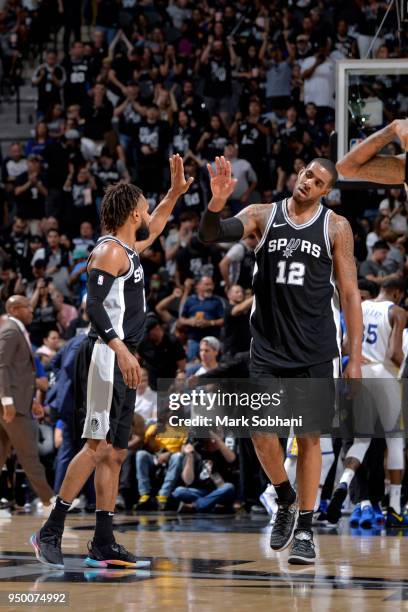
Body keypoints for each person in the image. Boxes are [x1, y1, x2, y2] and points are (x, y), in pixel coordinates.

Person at [31, 154, 193, 569]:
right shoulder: (107, 251)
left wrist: (175, 193)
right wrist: (121, 349)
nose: (147, 211)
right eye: (145, 204)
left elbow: (156, 227)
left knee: (117, 452)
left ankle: (103, 541)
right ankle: (50, 529)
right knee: (95, 446)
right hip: (105, 353)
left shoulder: (127, 248)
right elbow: (94, 307)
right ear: (132, 210)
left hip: (121, 355)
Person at [199, 155, 362, 564]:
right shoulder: (262, 214)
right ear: (298, 173)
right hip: (268, 346)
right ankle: (286, 499)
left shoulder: (335, 227)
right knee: (260, 433)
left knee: (308, 439)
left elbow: (349, 293)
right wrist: (216, 201)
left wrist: (354, 356)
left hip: (315, 348)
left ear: (326, 191)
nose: (308, 182)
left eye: (319, 181)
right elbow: (211, 234)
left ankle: (305, 528)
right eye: (307, 173)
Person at [326, 278, 407, 528]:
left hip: (360, 373)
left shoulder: (358, 307)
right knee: (394, 441)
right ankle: (393, 507)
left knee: (361, 441)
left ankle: (344, 483)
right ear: (397, 293)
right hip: (384, 377)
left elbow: (346, 346)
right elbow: (395, 354)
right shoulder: (397, 311)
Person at [0, 296, 55, 508]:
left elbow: (19, 374)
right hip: (11, 406)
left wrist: (31, 399)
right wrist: (7, 401)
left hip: (17, 401)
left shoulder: (16, 331)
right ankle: (50, 502)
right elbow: (2, 366)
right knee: (29, 455)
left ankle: (49, 500)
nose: (32, 311)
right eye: (28, 307)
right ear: (14, 309)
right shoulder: (10, 331)